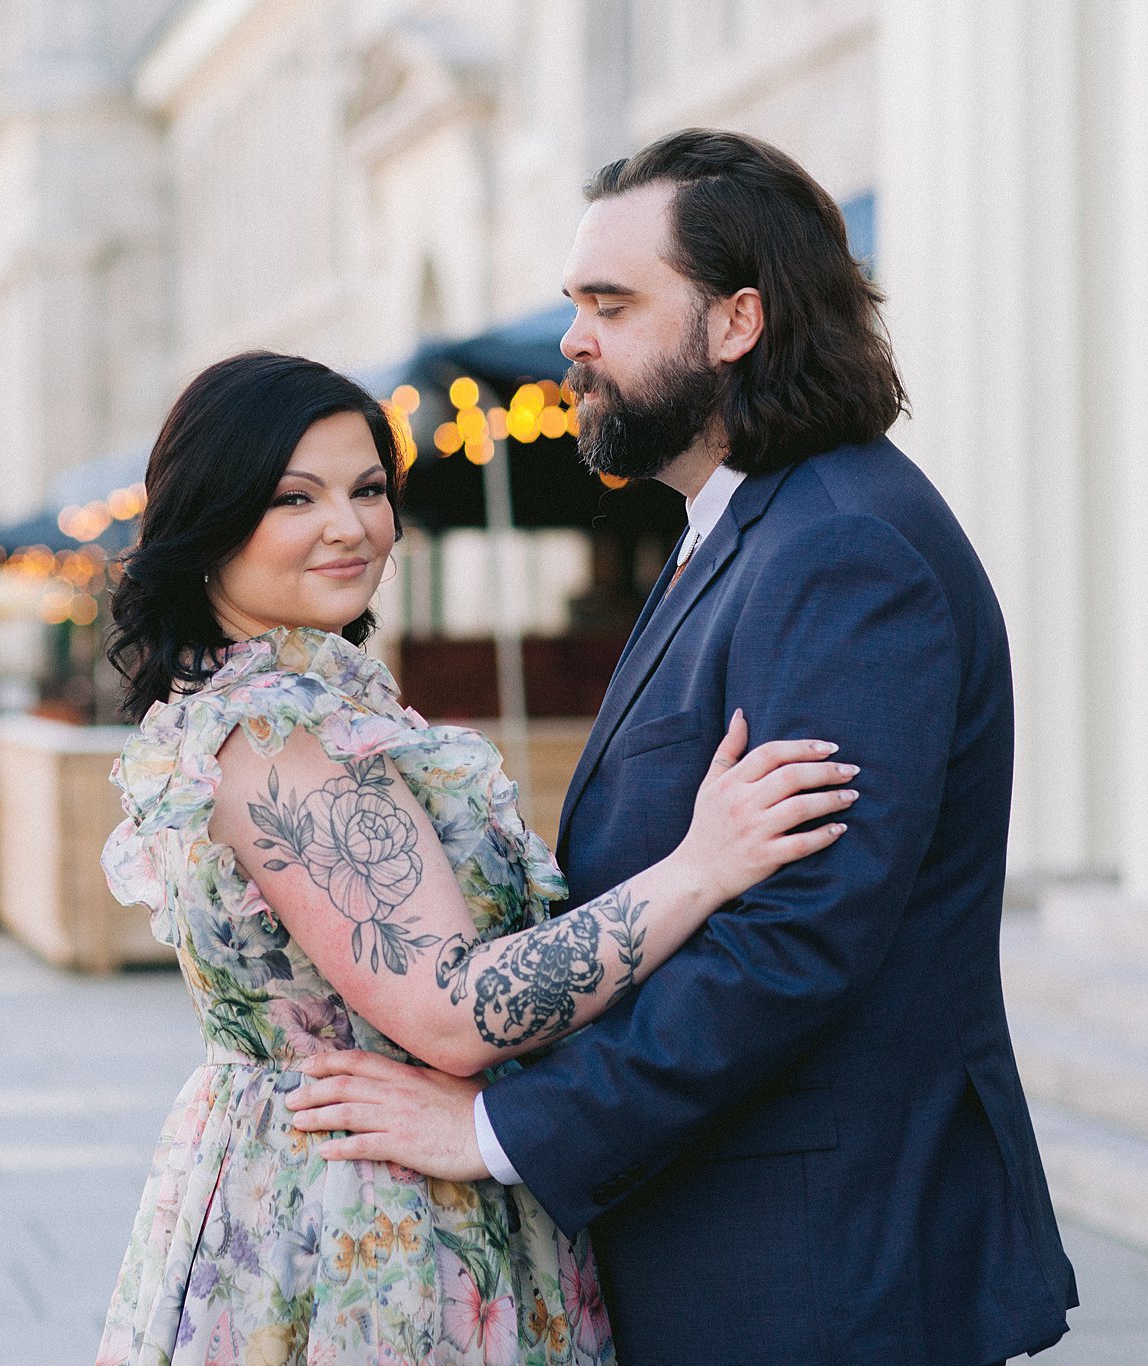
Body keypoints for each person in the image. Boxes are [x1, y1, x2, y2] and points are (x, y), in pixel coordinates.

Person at [288, 129, 1078, 1366]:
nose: (571, 341)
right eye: (572, 305)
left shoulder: (840, 550)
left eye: (610, 304)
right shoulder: (738, 528)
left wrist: (501, 1129)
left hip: (813, 1266)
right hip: (740, 1239)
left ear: (736, 321)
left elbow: (792, 946)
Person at [95, 350, 854, 1365]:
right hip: (366, 1222)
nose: (349, 526)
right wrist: (700, 866)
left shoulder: (314, 698)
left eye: (368, 489)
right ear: (208, 520)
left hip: (383, 1180)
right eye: (293, 497)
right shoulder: (271, 728)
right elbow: (454, 1010)